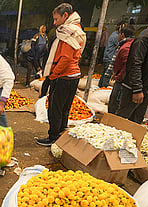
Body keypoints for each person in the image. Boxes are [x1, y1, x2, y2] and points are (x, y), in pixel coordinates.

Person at [36, 3, 86, 146]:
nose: (54, 23)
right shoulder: (77, 30)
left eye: (56, 19)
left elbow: (65, 58)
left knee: (55, 108)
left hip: (64, 76)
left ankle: (53, 137)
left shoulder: (68, 31)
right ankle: (61, 132)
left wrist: (53, 75)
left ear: (65, 16)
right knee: (64, 107)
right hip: (74, 75)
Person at [115, 7, 148, 124]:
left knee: (136, 122)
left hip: (146, 88)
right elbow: (135, 64)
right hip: (133, 89)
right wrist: (137, 89)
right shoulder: (145, 38)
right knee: (122, 121)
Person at [107, 24, 135, 114]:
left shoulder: (126, 47)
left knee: (114, 102)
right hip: (123, 79)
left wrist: (119, 76)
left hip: (122, 81)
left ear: (122, 35)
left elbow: (127, 65)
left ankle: (112, 122)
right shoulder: (129, 44)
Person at [98, 22, 125, 88]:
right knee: (107, 75)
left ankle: (100, 86)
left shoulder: (113, 35)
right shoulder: (116, 36)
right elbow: (119, 45)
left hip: (107, 56)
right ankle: (103, 87)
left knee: (105, 73)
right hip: (110, 57)